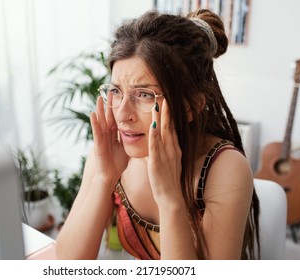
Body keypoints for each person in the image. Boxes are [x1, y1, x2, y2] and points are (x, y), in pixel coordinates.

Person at [55, 9, 260, 260]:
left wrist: (170, 198)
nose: (122, 114)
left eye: (144, 95)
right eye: (116, 91)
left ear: (190, 106)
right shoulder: (113, 151)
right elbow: (68, 262)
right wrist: (104, 178)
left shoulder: (224, 168)